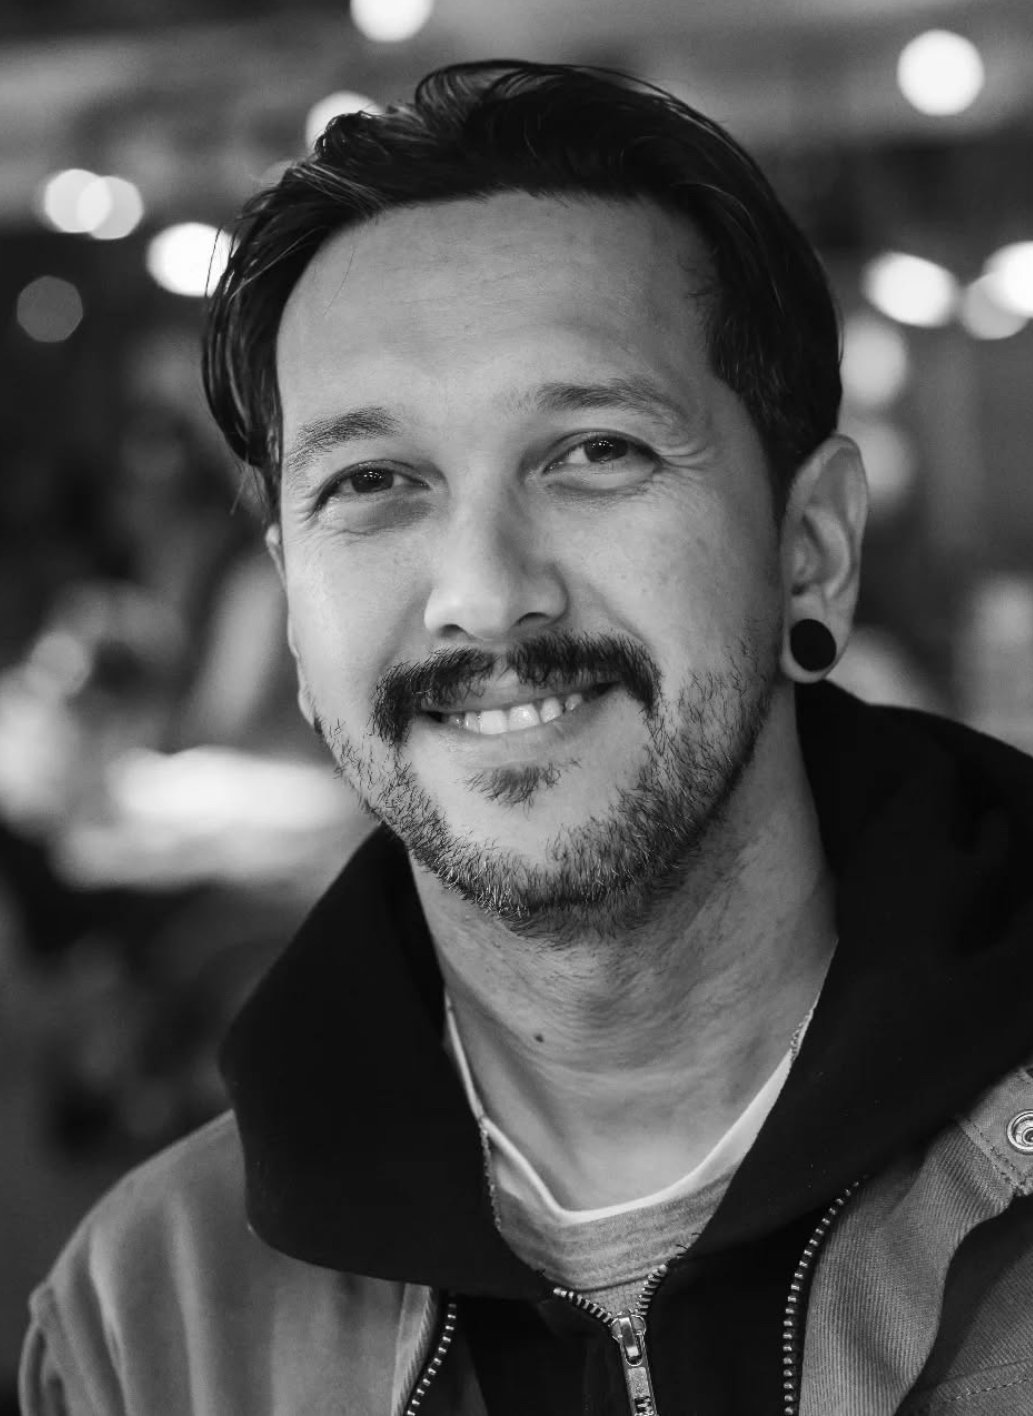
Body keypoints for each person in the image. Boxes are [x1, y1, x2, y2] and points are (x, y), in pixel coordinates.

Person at [20, 59, 1033, 1416]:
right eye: (373, 482)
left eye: (593, 450)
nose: (485, 592)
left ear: (811, 546)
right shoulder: (154, 1315)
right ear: (297, 611)